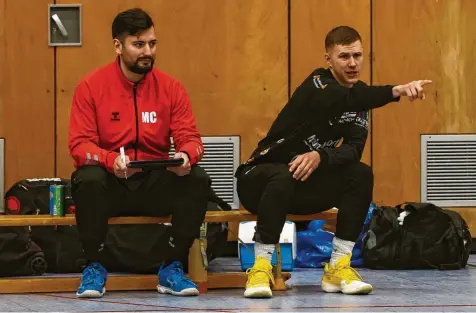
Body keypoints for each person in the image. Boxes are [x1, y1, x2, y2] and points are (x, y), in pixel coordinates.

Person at [235, 26, 432, 298]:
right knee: (281, 175)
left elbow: (353, 150)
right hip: (257, 181)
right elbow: (350, 98)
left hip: (301, 187)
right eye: (344, 57)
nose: (352, 63)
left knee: (360, 174)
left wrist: (321, 155)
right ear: (328, 59)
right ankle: (260, 268)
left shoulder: (360, 99)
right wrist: (397, 90)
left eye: (357, 56)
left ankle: (338, 265)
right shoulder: (318, 83)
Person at [68, 8, 209, 298]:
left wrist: (186, 155)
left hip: (153, 182)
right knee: (87, 178)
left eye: (152, 44)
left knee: (197, 178)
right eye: (139, 44)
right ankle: (94, 266)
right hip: (113, 182)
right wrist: (111, 160)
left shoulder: (171, 88)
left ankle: (172, 266)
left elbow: (191, 138)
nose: (148, 51)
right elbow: (79, 145)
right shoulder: (90, 87)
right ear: (118, 46)